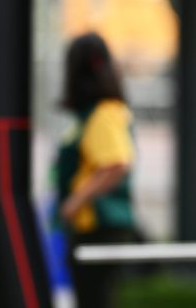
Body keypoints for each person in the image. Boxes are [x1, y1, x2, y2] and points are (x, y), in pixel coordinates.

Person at [56, 32, 136, 308]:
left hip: (101, 229)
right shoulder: (95, 113)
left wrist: (74, 202)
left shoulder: (104, 113)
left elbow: (116, 164)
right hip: (92, 229)